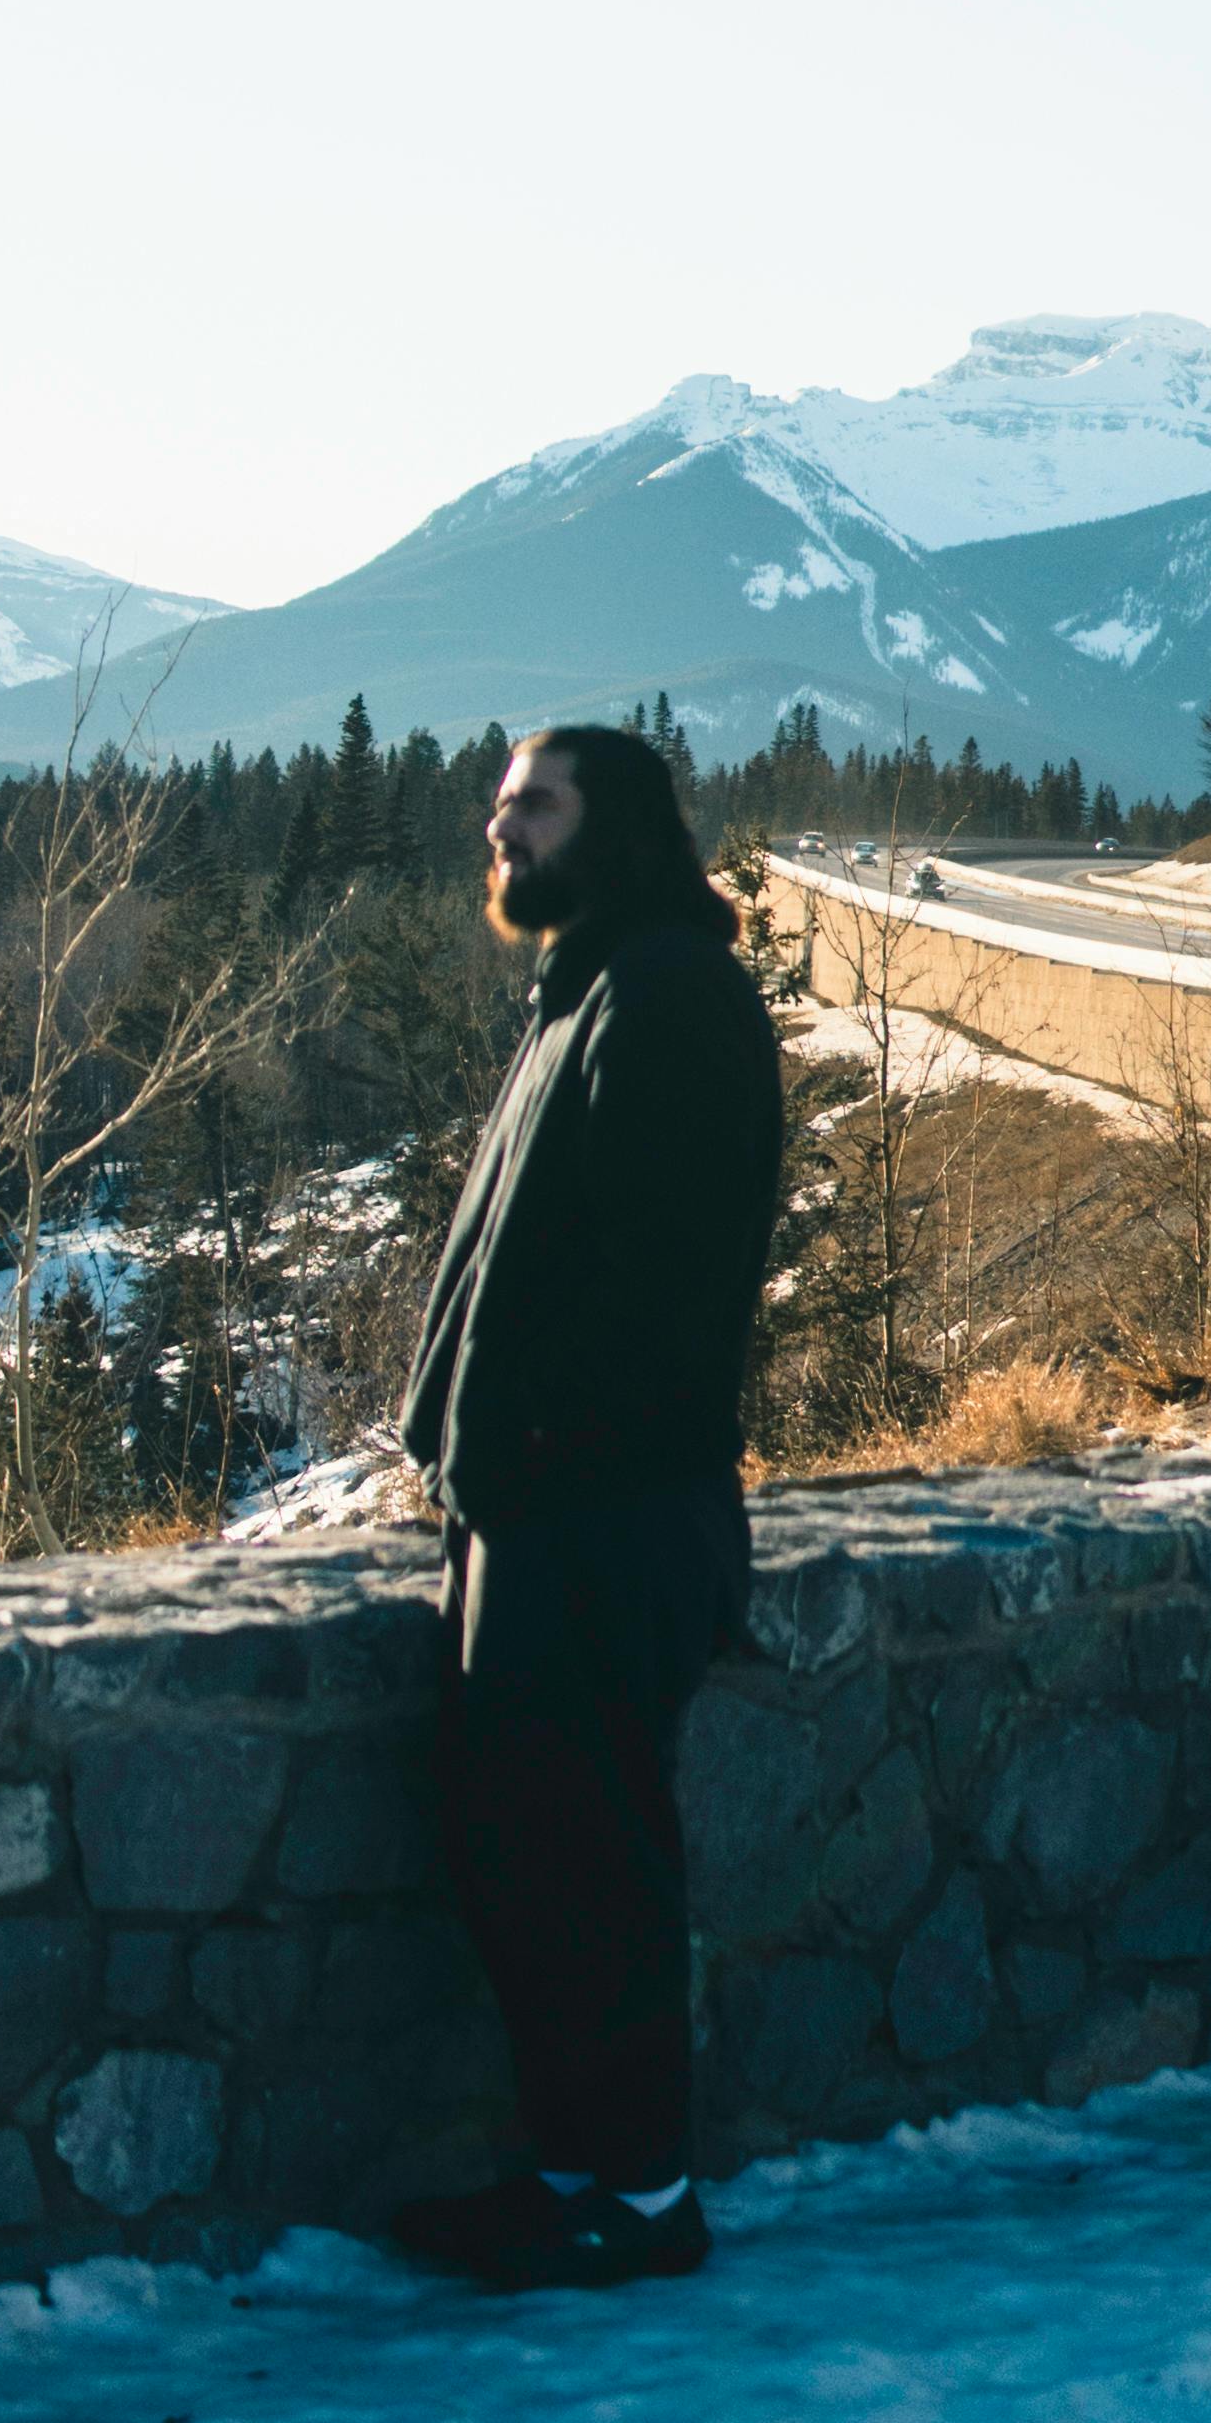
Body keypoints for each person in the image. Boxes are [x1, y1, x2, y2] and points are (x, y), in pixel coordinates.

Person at [384, 718, 787, 2295]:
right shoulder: (593, 986)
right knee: (530, 1856)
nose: (504, 831)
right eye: (500, 809)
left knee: (596, 1868)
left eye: (535, 807)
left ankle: (641, 2196)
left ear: (613, 825)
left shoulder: (668, 996)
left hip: (607, 1519)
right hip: (545, 1511)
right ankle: (574, 2177)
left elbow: (662, 1286)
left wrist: (539, 1448)